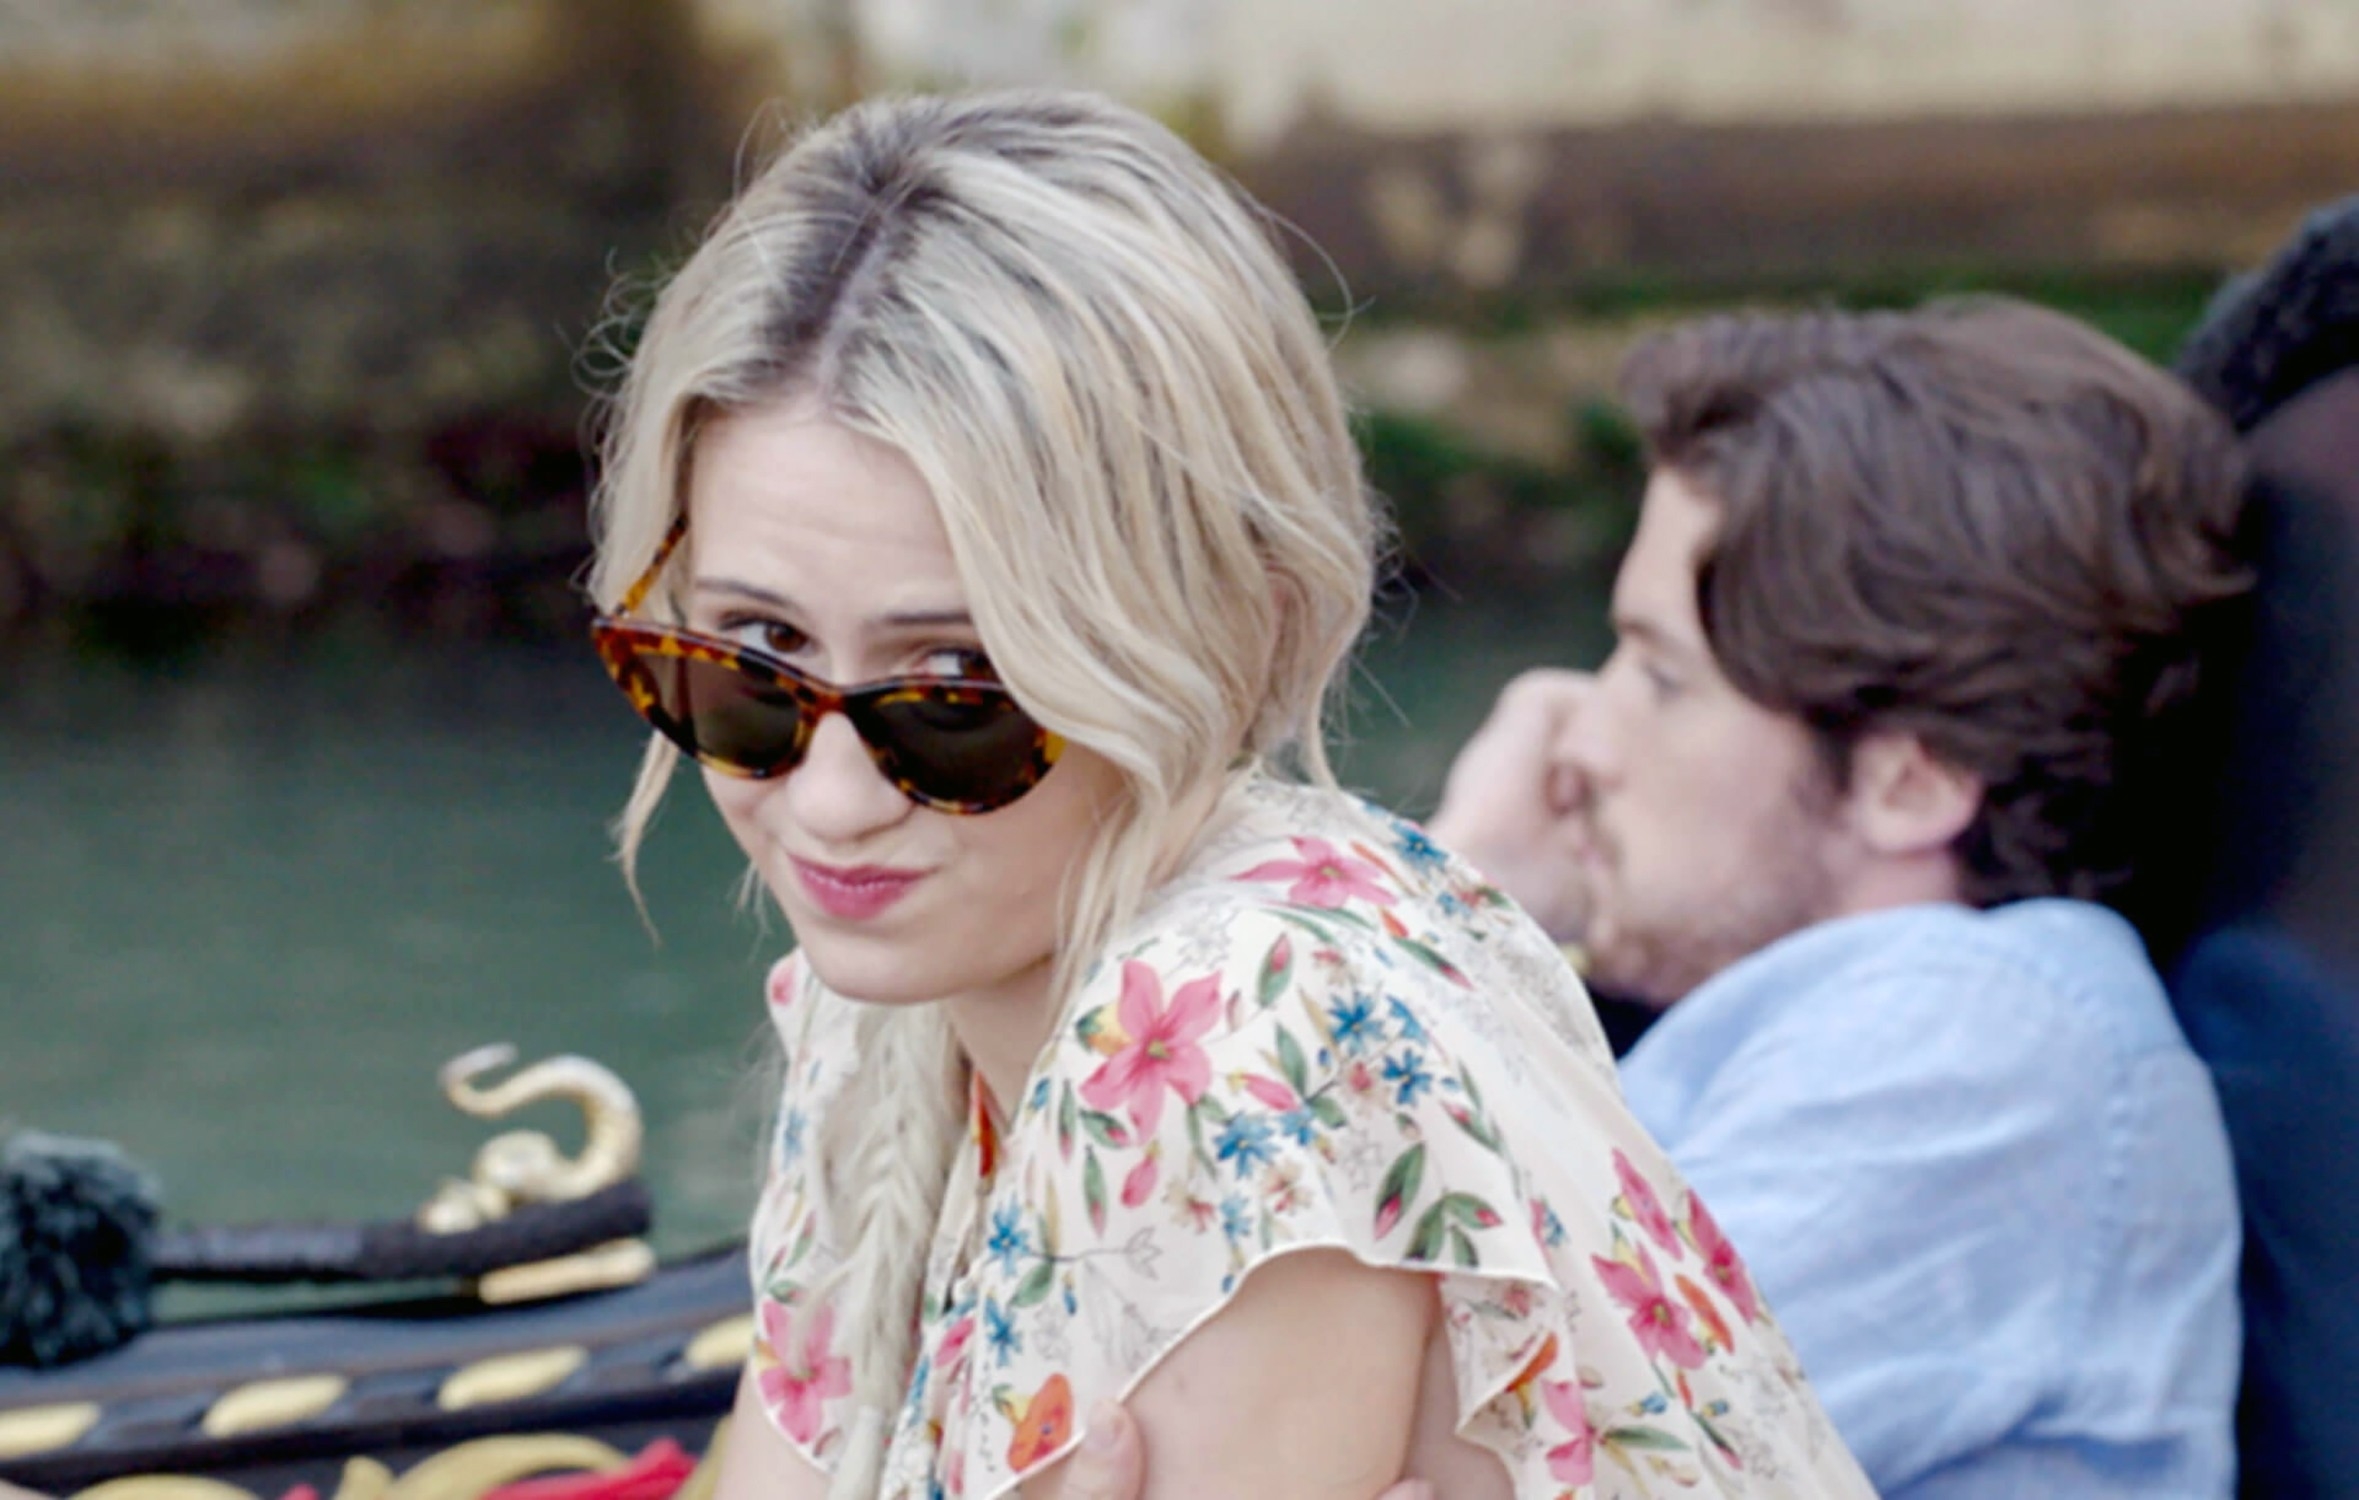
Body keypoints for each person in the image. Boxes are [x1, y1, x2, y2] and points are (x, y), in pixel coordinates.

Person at [585, 91, 1876, 1499]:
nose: (830, 802)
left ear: (1235, 632)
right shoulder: (896, 982)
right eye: (752, 660)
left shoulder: (1225, 1039)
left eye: (956, 687)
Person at [1427, 301, 2249, 1497]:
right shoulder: (1877, 1041)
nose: (1575, 732)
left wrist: (1442, 905)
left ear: (1909, 784)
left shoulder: (1983, 1043)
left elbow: (1452, 1438)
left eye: (1660, 675)